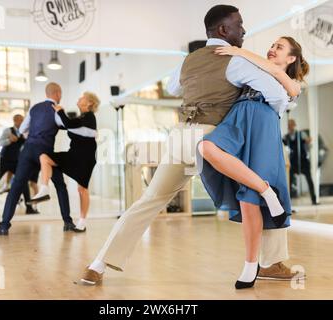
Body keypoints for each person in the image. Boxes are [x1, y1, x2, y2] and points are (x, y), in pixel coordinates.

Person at [80, 5, 302, 285]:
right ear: (224, 30)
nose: (243, 30)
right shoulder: (236, 61)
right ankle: (270, 262)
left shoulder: (188, 61)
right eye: (239, 24)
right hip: (214, 140)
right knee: (262, 181)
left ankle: (97, 265)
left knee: (149, 200)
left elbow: (174, 87)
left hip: (180, 137)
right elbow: (277, 96)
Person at [197, 36, 309, 288]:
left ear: (291, 58)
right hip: (238, 115)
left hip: (263, 123)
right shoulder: (254, 67)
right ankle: (266, 189)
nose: (271, 49)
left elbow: (283, 81)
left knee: (248, 201)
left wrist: (238, 51)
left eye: (278, 47)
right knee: (206, 147)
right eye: (271, 45)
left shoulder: (293, 83)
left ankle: (249, 267)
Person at [0, 83, 75, 235]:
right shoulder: (57, 110)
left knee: (16, 186)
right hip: (45, 152)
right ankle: (68, 222)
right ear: (57, 93)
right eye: (60, 94)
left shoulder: (34, 108)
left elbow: (22, 129)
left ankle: (3, 226)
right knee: (60, 185)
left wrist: (34, 134)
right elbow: (67, 125)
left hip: (28, 150)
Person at [29, 92, 99, 232]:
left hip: (85, 158)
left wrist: (60, 110)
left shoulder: (89, 117)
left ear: (89, 103)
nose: (78, 99)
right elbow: (67, 124)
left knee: (82, 189)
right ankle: (44, 189)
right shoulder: (81, 118)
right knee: (44, 157)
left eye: (82, 97)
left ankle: (82, 222)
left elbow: (68, 123)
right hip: (73, 155)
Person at [0, 114, 38, 216]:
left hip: (17, 162)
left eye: (23, 120)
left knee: (23, 182)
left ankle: (29, 208)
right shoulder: (8, 131)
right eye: (20, 120)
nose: (22, 122)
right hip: (4, 160)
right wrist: (9, 140)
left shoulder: (25, 132)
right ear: (15, 121)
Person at [283, 119, 318, 205]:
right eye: (289, 125)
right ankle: (288, 202)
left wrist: (308, 141)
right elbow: (282, 144)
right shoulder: (286, 137)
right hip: (293, 162)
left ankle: (314, 200)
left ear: (294, 125)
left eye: (291, 125)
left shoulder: (301, 134)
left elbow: (308, 142)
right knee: (289, 181)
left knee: (309, 180)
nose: (290, 126)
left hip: (303, 161)